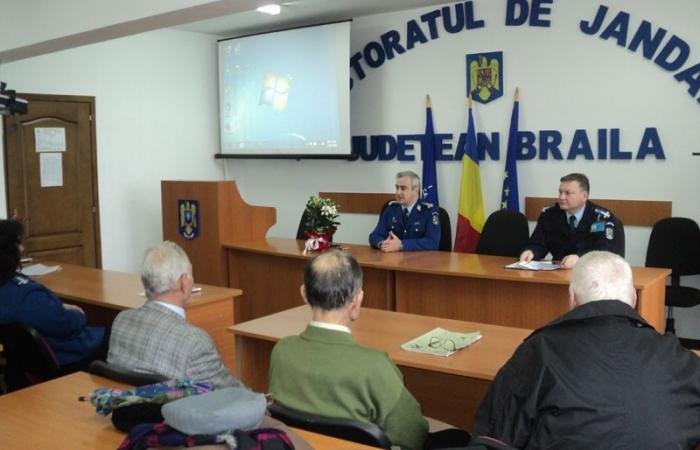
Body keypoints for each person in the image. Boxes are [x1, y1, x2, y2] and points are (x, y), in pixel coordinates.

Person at [473, 251, 700, 449]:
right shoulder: (675, 355)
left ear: (572, 298)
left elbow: (495, 435)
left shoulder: (540, 350)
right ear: (633, 299)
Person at [269, 250, 470, 450]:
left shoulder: (282, 351)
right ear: (357, 300)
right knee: (460, 437)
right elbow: (413, 434)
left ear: (304, 294)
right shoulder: (374, 366)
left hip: (305, 445)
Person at [108, 241, 239, 388]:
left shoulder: (121, 320)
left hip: (128, 401)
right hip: (176, 403)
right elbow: (229, 391)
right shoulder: (195, 342)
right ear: (183, 283)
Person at [0, 219, 106, 369]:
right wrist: (80, 316)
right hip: (70, 355)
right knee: (118, 334)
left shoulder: (10, 285)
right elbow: (65, 324)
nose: (22, 248)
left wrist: (60, 306)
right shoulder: (26, 297)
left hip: (30, 361)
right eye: (17, 243)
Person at [519, 173, 618, 268]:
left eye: (568, 193)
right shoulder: (549, 214)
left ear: (584, 196)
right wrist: (531, 251)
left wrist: (580, 258)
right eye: (560, 192)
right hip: (558, 272)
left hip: (590, 272)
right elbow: (538, 244)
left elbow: (605, 252)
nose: (561, 197)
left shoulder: (601, 218)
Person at [369, 171, 441, 252]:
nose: (398, 192)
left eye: (403, 188)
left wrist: (402, 245)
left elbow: (433, 242)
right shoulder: (391, 208)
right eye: (397, 188)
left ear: (416, 190)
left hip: (419, 259)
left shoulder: (429, 210)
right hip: (392, 258)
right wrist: (383, 244)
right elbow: (374, 236)